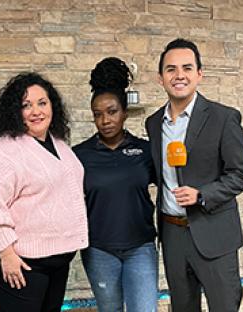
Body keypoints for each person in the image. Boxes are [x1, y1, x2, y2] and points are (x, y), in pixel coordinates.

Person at [145, 38, 243, 312]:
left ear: (199, 74)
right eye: (170, 69)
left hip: (213, 232)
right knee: (182, 308)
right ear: (161, 78)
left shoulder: (223, 117)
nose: (178, 75)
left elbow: (240, 173)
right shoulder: (154, 123)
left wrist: (202, 194)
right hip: (172, 234)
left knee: (224, 307)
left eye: (186, 68)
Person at [0, 72, 88, 312]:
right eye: (26, 105)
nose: (36, 111)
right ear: (14, 112)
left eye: (42, 103)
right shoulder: (2, 151)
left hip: (56, 260)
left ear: (52, 106)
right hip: (20, 262)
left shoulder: (58, 144)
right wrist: (6, 255)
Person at [73, 57, 158, 312]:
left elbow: (172, 185)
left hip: (140, 248)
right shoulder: (79, 155)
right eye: (97, 115)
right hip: (98, 250)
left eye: (112, 112)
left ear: (124, 112)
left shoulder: (145, 150)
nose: (105, 120)